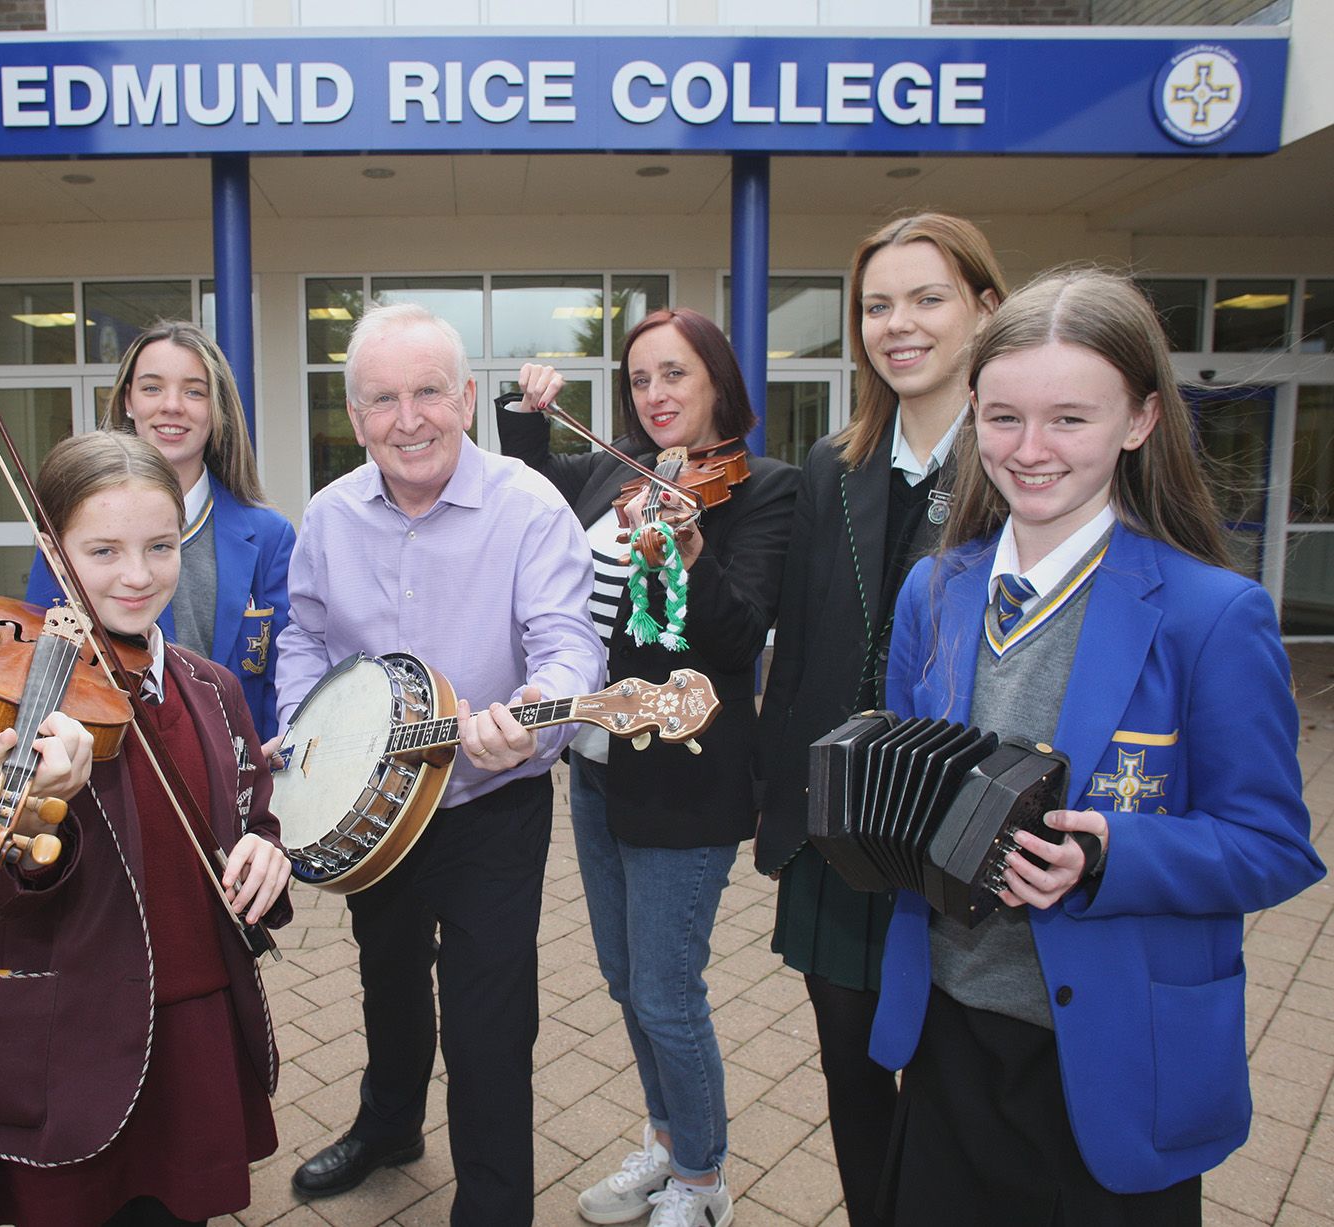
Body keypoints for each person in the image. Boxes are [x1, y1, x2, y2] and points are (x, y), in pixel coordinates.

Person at [869, 269, 1325, 1224]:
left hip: (1114, 1056)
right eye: (1001, 418)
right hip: (948, 1035)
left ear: (1140, 420)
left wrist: (1108, 856)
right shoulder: (934, 591)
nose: (1029, 451)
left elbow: (1274, 845)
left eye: (1069, 419)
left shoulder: (1212, 614)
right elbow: (908, 784)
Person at [275, 303, 601, 1225]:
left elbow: (570, 651)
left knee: (490, 1015)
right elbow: (303, 636)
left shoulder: (529, 507)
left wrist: (533, 726)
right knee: (386, 975)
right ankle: (390, 1124)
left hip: (491, 801)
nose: (408, 418)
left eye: (428, 392)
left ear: (465, 398)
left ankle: (494, 1205)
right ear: (356, 413)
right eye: (383, 398)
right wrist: (308, 731)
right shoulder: (331, 515)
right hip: (376, 805)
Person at [0, 430, 292, 1227]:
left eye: (160, 546)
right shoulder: (6, 689)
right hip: (71, 1038)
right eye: (103, 550)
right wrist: (36, 810)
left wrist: (267, 853)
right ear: (52, 547)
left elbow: (252, 814)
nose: (138, 576)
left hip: (192, 1026)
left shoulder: (212, 685)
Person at [499, 307, 799, 1227]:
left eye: (675, 374)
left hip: (691, 773)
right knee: (628, 981)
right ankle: (669, 1145)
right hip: (598, 763)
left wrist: (696, 556)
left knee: (670, 991)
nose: (656, 395)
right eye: (639, 379)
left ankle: (705, 1184)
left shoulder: (766, 490)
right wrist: (523, 413)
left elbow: (743, 631)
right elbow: (532, 487)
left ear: (716, 380)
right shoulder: (611, 470)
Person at [753, 213, 1007, 1226]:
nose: (898, 325)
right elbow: (795, 641)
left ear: (985, 310)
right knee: (852, 1081)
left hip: (959, 837)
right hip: (841, 834)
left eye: (927, 298)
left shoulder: (1021, 465)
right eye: (876, 306)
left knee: (958, 1090)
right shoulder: (832, 465)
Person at [25, 321, 295, 739]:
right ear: (128, 400)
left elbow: (283, 672)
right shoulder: (75, 530)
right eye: (152, 388)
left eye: (194, 391)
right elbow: (44, 665)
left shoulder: (270, 535)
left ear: (216, 408)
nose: (172, 406)